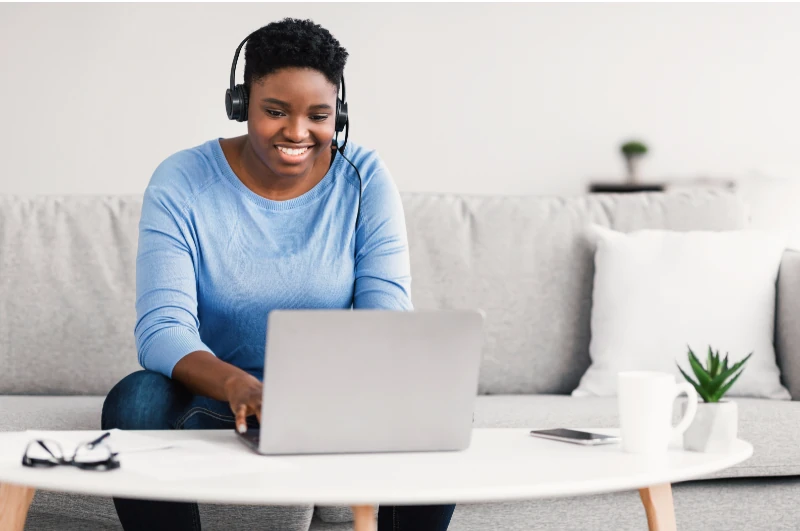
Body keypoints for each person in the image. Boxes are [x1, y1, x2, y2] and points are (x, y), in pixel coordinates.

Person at [100, 17, 456, 531]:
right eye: (275, 112)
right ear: (241, 104)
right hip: (222, 399)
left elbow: (387, 320)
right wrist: (238, 385)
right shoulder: (182, 180)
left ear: (339, 114)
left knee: (434, 401)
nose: (297, 132)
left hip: (335, 400)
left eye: (319, 115)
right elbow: (161, 330)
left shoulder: (364, 178)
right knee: (136, 400)